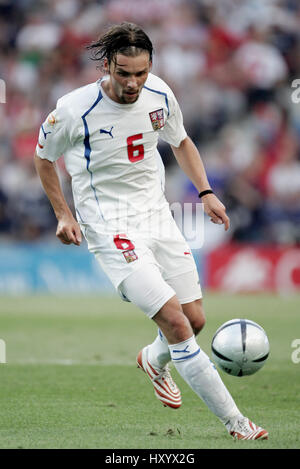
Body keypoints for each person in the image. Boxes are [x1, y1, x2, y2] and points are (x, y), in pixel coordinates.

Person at [34, 22, 268, 441]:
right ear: (107, 66)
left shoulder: (160, 92)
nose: (132, 83)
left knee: (195, 319)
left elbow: (181, 141)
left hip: (158, 217)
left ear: (151, 66)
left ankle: (153, 360)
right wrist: (63, 214)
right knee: (177, 324)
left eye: (140, 73)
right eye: (123, 73)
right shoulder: (73, 109)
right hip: (109, 226)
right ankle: (237, 422)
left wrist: (207, 192)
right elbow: (43, 157)